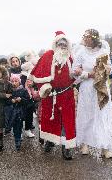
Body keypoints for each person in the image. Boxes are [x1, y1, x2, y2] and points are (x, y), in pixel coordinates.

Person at [29, 31, 76, 160]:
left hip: (67, 94)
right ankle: (50, 140)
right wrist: (44, 88)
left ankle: (66, 148)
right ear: (55, 44)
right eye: (60, 43)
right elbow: (38, 74)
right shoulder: (48, 56)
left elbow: (76, 76)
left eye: (64, 44)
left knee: (67, 121)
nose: (62, 46)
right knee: (50, 119)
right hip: (51, 94)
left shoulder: (71, 57)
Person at [73, 29, 112, 158]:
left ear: (94, 39)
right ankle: (84, 143)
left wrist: (106, 69)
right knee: (86, 114)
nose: (84, 39)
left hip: (101, 87)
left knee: (102, 116)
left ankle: (105, 147)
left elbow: (111, 69)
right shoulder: (81, 52)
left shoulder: (103, 52)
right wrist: (85, 73)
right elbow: (74, 71)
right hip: (86, 88)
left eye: (87, 37)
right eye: (84, 36)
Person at [5, 74, 29, 150]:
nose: (14, 83)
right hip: (11, 112)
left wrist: (21, 99)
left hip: (20, 112)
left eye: (16, 81)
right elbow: (5, 101)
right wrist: (10, 100)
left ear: (19, 82)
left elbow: (27, 101)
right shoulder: (9, 90)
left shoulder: (23, 90)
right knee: (15, 126)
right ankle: (17, 139)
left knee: (19, 125)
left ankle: (18, 139)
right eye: (12, 81)